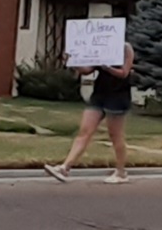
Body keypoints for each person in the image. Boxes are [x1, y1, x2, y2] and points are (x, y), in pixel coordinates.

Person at [44, 43, 135, 184]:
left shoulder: (126, 48)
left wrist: (107, 67)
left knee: (116, 136)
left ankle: (121, 172)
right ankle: (65, 168)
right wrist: (74, 62)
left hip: (118, 96)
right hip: (99, 94)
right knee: (84, 132)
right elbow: (87, 70)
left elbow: (124, 73)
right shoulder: (101, 47)